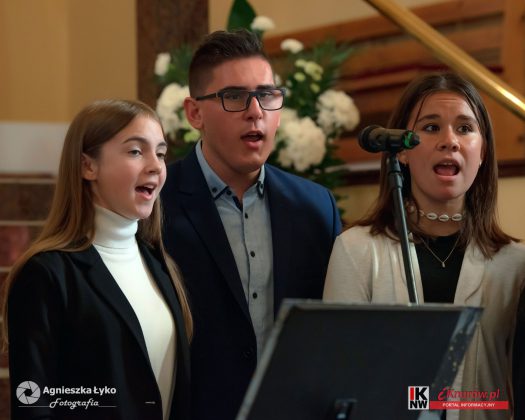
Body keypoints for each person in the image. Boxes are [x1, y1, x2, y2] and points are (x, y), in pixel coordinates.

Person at [161, 29, 342, 420]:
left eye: (267, 95)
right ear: (194, 113)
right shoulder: (156, 203)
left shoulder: (315, 207)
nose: (256, 111)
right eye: (235, 97)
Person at [323, 73, 525, 419]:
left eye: (465, 128)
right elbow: (337, 382)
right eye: (431, 127)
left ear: (482, 151)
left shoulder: (515, 263)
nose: (450, 141)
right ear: (401, 151)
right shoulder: (357, 250)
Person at [1, 99, 192, 420]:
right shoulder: (46, 274)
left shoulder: (160, 264)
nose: (156, 166)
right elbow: (32, 403)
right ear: (87, 166)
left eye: (160, 153)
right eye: (136, 151)